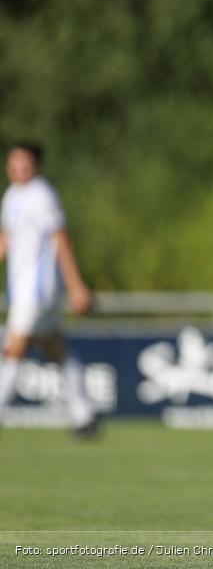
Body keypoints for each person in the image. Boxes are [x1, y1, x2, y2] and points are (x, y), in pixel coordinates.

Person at [0, 143, 97, 436]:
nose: (18, 168)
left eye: (24, 163)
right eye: (13, 163)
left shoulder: (43, 195)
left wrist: (76, 285)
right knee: (55, 349)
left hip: (39, 291)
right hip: (20, 290)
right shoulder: (11, 196)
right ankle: (84, 415)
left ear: (36, 165)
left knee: (12, 348)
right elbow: (6, 239)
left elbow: (61, 241)